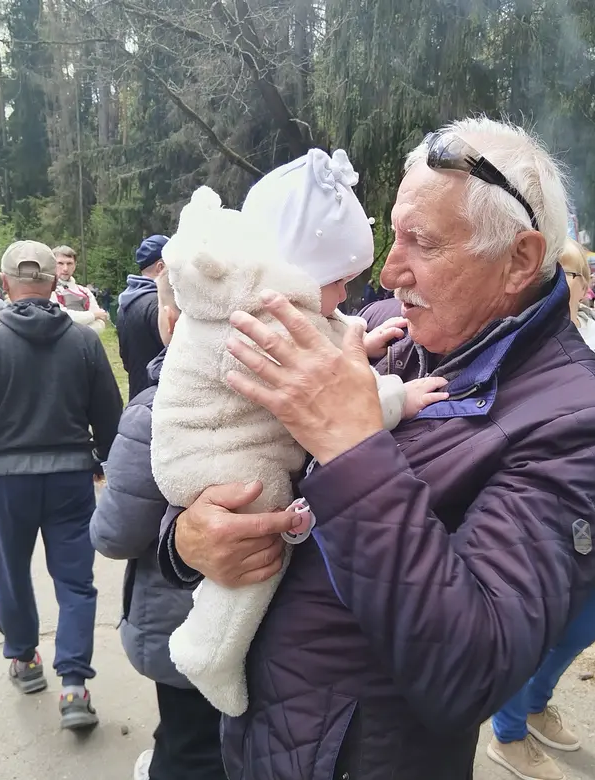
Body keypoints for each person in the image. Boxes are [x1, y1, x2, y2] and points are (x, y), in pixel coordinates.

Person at [156, 118, 595, 779]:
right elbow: (229, 442)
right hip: (262, 738)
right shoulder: (390, 333)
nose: (388, 272)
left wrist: (352, 443)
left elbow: (470, 672)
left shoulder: (582, 426)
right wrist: (188, 539)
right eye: (394, 234)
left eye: (423, 242)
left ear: (520, 260)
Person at [151, 157, 444, 716]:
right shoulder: (254, 324)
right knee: (265, 528)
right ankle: (209, 646)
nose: (351, 288)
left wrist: (362, 335)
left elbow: (328, 334)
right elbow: (326, 398)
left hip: (218, 445)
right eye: (339, 279)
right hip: (215, 458)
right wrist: (397, 398)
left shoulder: (258, 298)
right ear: (297, 272)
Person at [0, 240, 123, 730]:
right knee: (75, 581)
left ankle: (24, 661)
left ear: (4, 284)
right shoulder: (84, 342)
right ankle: (74, 688)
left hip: (5, 481)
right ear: (53, 285)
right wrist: (104, 464)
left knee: (12, 571)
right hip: (69, 478)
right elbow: (111, 421)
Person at [487, 239, 595, 780]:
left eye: (578, 276)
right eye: (564, 274)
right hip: (542, 513)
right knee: (532, 629)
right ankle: (507, 737)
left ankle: (535, 703)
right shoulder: (519, 342)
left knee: (584, 625)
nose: (574, 285)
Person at [92, 270, 226, 780]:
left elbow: (115, 534)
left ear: (168, 319)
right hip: (271, 628)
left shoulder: (157, 412)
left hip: (180, 625)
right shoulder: (293, 393)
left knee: (192, 746)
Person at [118, 235, 169, 399]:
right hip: (160, 398)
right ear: (160, 267)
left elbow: (125, 358)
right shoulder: (159, 304)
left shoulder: (126, 301)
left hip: (138, 395)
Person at [52, 245, 109, 332]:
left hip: (85, 344)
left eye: (69, 263)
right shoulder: (48, 290)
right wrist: (93, 315)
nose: (65, 268)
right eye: (60, 263)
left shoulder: (85, 291)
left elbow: (100, 323)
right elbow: (61, 318)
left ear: (74, 266)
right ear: (52, 265)